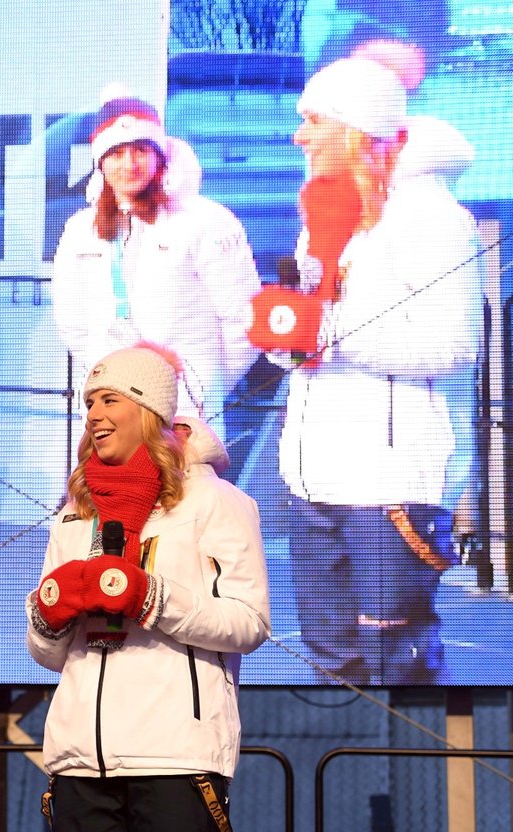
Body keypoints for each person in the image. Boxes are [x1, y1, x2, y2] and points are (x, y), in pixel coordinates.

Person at [259, 50, 482, 683]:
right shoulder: (327, 213)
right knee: (334, 659)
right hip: (312, 478)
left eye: (314, 122)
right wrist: (285, 336)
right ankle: (348, 776)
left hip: (389, 486)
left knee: (396, 661)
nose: (300, 136)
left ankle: (412, 780)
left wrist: (329, 333)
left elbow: (449, 344)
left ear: (356, 128)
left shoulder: (431, 217)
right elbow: (314, 327)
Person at [26, 344, 269, 831]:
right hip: (78, 759)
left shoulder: (214, 501)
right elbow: (49, 655)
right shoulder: (76, 513)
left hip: (174, 758)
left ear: (149, 410)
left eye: (109, 400)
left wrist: (151, 598)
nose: (93, 414)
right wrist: (49, 617)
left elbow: (250, 622)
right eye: (90, 403)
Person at [50, 87, 261, 435]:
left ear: (161, 156)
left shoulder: (206, 220)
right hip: (113, 403)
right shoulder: (79, 229)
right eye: (116, 153)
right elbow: (73, 320)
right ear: (100, 161)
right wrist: (107, 374)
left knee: (186, 490)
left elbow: (243, 317)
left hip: (186, 409)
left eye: (140, 151)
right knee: (115, 490)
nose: (129, 164)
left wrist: (201, 385)